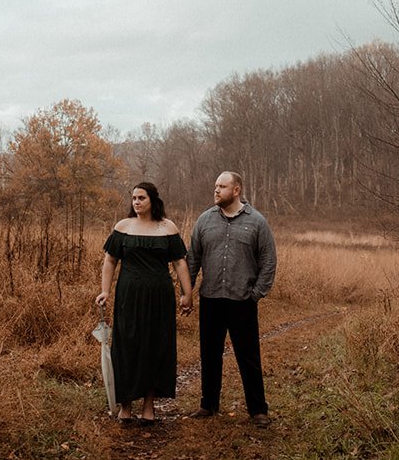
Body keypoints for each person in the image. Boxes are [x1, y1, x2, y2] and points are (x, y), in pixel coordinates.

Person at [95, 181, 193, 426]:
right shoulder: (123, 227)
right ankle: (126, 406)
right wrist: (105, 290)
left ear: (153, 201)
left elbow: (180, 263)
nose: (136, 202)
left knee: (155, 346)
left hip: (160, 297)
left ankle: (149, 407)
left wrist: (187, 293)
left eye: (141, 198)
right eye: (134, 198)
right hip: (129, 296)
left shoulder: (167, 227)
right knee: (127, 345)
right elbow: (110, 260)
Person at [186, 170, 276, 427]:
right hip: (211, 298)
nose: (216, 190)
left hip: (242, 301)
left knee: (248, 356)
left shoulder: (257, 222)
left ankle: (258, 410)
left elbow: (268, 262)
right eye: (215, 186)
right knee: (209, 354)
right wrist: (187, 291)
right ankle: (209, 405)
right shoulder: (204, 221)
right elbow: (193, 259)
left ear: (236, 190)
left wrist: (256, 295)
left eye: (222, 186)